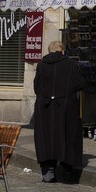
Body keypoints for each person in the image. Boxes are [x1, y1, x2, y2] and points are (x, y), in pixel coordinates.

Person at [32, 43, 85, 183]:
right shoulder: (72, 64)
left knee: (46, 138)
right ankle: (66, 170)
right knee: (66, 136)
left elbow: (36, 87)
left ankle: (48, 170)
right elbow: (80, 84)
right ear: (62, 51)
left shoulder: (41, 64)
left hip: (45, 107)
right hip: (66, 107)